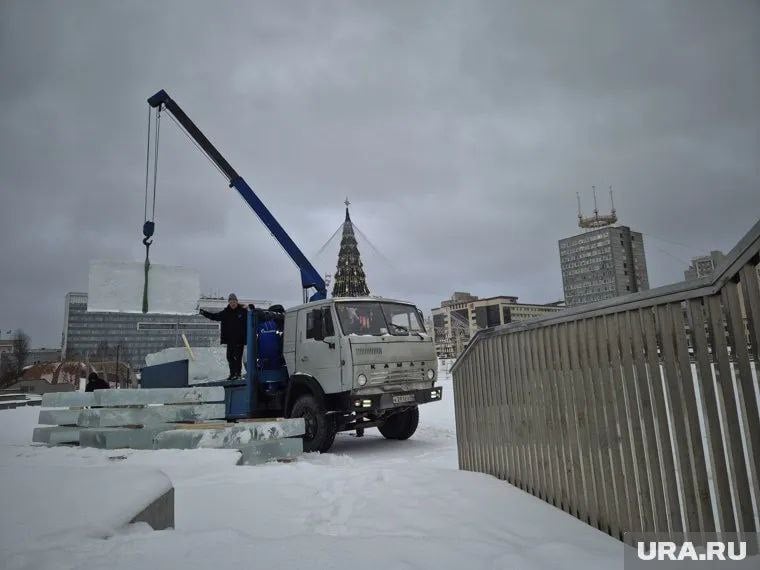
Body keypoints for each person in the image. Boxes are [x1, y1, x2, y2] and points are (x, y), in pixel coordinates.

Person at [200, 293, 247, 380]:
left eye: (234, 301)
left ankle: (238, 374)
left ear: (237, 302)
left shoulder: (243, 311)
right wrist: (202, 312)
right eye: (231, 301)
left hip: (239, 339)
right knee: (229, 357)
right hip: (230, 340)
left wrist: (250, 307)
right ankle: (232, 374)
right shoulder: (226, 312)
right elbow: (214, 316)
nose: (233, 303)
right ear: (229, 302)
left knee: (238, 357)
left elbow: (253, 313)